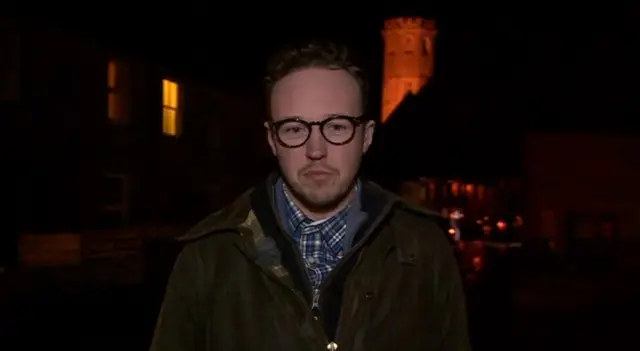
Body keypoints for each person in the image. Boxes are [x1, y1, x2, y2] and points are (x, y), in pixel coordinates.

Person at [150, 40, 471, 351]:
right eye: (294, 128)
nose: (315, 150)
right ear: (272, 140)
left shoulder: (425, 249)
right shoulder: (207, 258)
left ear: (366, 137)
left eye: (336, 127)